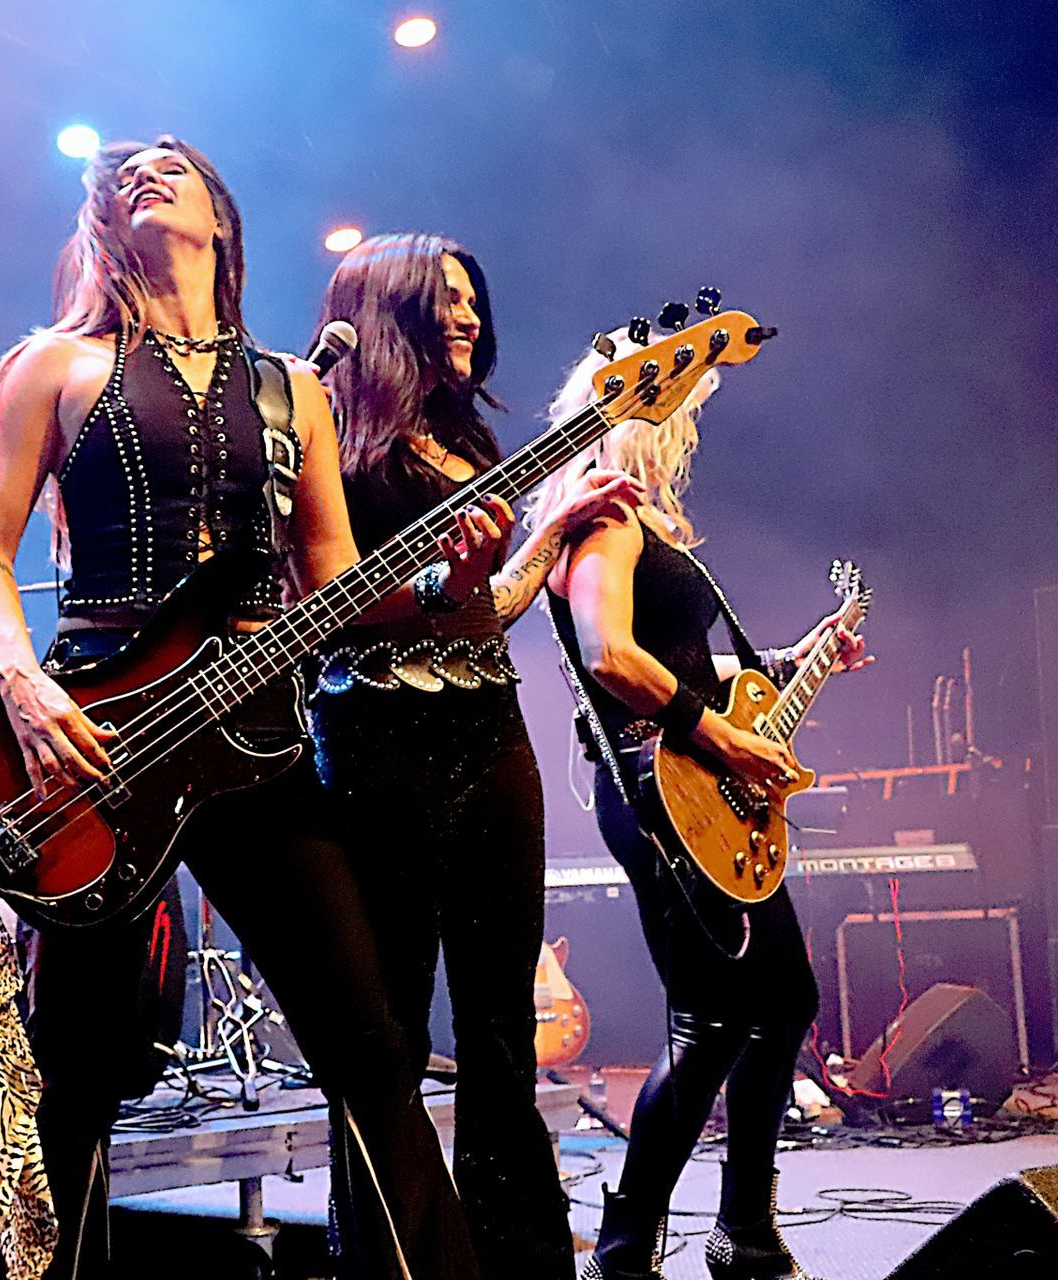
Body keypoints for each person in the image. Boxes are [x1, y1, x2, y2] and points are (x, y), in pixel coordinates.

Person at [0, 136, 505, 1279]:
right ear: (105, 221)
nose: (147, 171)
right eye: (127, 172)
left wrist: (447, 584)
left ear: (221, 213)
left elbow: (337, 585)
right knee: (78, 1072)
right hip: (97, 738)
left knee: (370, 1047)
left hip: (256, 745)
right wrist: (22, 681)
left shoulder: (293, 388)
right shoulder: (51, 366)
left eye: (174, 161)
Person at [310, 232, 644, 1277]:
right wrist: (442, 585)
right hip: (378, 740)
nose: (467, 315)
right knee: (394, 1031)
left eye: (472, 299)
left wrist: (550, 533)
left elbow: (484, 609)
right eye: (445, 297)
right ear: (390, 308)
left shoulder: (472, 443)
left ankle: (523, 1255)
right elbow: (323, 606)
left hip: (490, 733)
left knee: (503, 1021)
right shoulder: (329, 436)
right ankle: (393, 1255)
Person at [537, 328, 869, 1280]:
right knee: (712, 1019)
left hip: (696, 788)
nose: (688, 429)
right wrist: (718, 736)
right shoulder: (605, 516)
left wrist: (794, 661)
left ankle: (745, 1231)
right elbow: (610, 656)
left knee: (782, 1000)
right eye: (680, 412)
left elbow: (680, 664)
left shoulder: (643, 522)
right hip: (662, 790)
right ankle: (626, 1247)